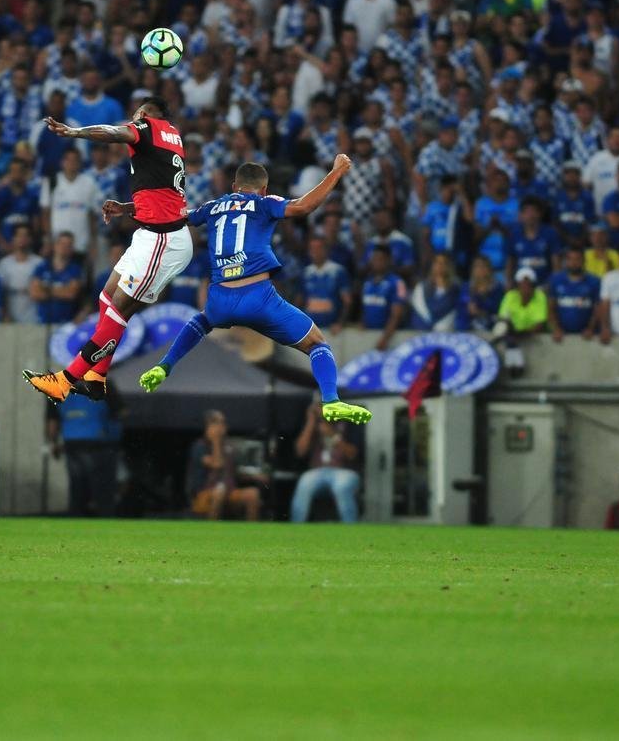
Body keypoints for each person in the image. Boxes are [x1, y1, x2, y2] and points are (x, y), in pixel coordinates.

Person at [138, 158, 371, 425]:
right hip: (258, 298)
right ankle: (330, 400)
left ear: (234, 186)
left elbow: (171, 216)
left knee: (202, 320)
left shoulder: (212, 206)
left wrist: (127, 208)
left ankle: (164, 365)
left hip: (220, 300)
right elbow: (304, 206)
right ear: (263, 189)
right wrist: (337, 171)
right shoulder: (264, 203)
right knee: (318, 344)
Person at [25, 97, 195, 403]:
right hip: (152, 232)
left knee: (118, 309)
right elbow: (164, 195)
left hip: (163, 241)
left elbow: (115, 133)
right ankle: (96, 377)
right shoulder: (172, 136)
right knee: (107, 295)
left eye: (135, 115)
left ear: (142, 114)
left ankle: (65, 379)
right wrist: (127, 208)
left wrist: (73, 133)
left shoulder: (146, 127)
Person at [51, 388, 124, 517]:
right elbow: (121, 412)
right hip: (100, 444)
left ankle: (77, 521)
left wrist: (54, 443)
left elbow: (52, 424)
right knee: (103, 490)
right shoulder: (103, 384)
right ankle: (105, 521)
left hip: (72, 443)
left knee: (77, 488)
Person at [291, 402, 361, 523]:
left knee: (341, 487)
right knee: (304, 484)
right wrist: (311, 422)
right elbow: (300, 451)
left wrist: (333, 435)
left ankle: (351, 529)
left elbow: (352, 454)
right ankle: (296, 529)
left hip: (344, 471)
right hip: (317, 470)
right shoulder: (313, 426)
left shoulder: (349, 422)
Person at [185, 410, 261, 520]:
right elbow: (217, 465)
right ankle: (212, 533)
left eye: (222, 422)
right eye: (216, 423)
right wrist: (216, 440)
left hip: (229, 492)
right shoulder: (199, 446)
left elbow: (235, 472)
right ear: (208, 426)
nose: (221, 426)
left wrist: (256, 477)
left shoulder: (229, 447)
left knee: (253, 494)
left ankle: (251, 534)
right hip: (204, 494)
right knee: (219, 492)